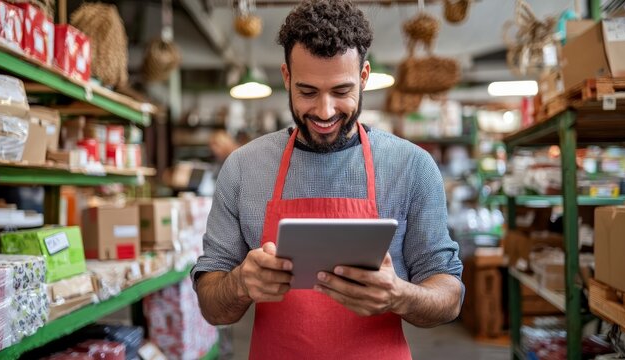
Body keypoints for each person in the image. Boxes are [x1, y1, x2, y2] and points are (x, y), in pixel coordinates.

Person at [191, 1, 464, 358]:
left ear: (364, 77)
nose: (324, 111)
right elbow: (212, 306)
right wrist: (239, 283)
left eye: (341, 91)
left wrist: (399, 294)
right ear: (286, 77)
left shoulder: (411, 166)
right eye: (307, 92)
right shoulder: (244, 168)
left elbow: (449, 296)